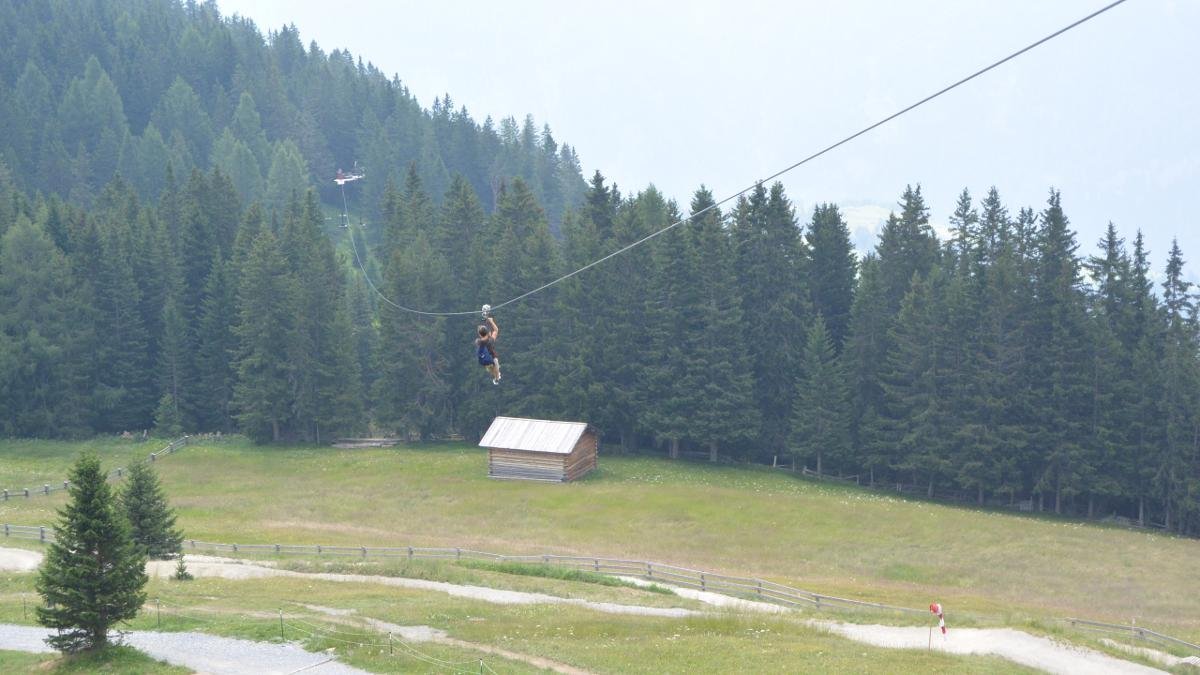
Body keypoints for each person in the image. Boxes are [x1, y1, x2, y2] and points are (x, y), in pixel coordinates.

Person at [475, 315, 501, 384]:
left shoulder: (479, 342)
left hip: (486, 361)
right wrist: (491, 321)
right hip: (493, 359)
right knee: (496, 370)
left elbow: (482, 335)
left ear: (480, 335)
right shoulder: (490, 340)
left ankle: (496, 377)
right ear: (487, 333)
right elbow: (496, 330)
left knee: (492, 370)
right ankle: (497, 378)